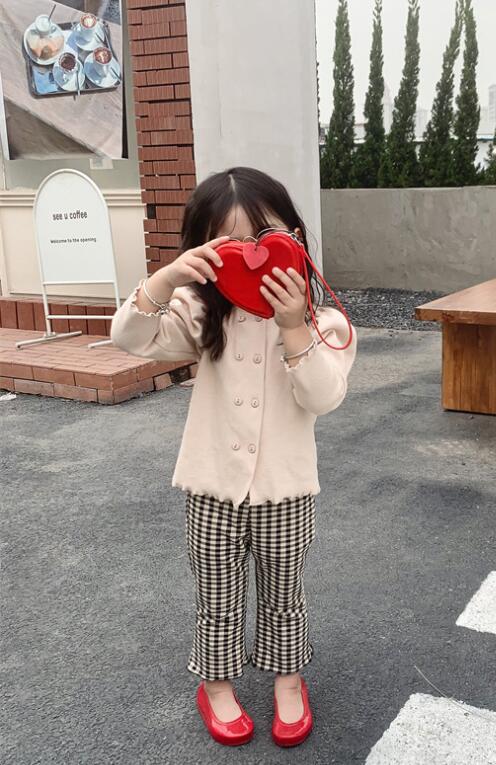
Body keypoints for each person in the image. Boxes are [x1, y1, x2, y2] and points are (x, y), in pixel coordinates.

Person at [110, 167, 357, 748]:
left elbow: (323, 397)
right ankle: (216, 685)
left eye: (264, 237)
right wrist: (169, 276)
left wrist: (293, 326)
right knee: (217, 597)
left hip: (285, 491)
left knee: (284, 594)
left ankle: (288, 680)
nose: (250, 256)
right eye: (228, 245)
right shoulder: (202, 316)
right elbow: (129, 337)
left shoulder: (325, 323)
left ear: (295, 237)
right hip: (212, 486)